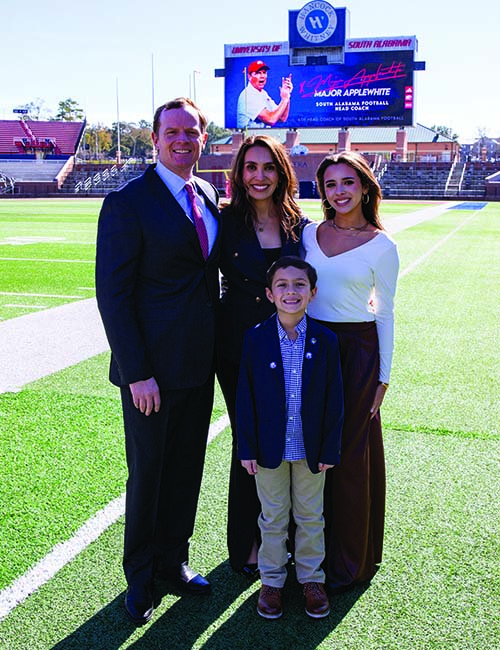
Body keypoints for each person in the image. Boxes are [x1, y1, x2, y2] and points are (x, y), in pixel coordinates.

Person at [95, 97, 221, 624]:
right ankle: (141, 578)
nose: (182, 140)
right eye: (172, 132)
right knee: (148, 473)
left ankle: (175, 561)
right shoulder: (128, 202)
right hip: (150, 373)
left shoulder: (209, 193)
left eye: (191, 132)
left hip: (199, 364)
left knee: (187, 469)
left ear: (202, 138)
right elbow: (113, 296)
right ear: (155, 138)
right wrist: (137, 372)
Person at [302, 151, 399, 593]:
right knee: (308, 453)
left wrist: (383, 376)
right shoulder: (308, 233)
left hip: (357, 351)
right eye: (330, 185)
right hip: (310, 348)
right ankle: (306, 557)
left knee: (349, 455)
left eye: (347, 183)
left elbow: (386, 314)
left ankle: (350, 560)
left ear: (364, 186)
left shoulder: (382, 245)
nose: (339, 192)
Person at [217, 134, 308, 578]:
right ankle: (247, 545)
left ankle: (285, 541)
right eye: (251, 167)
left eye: (268, 167)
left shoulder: (299, 223)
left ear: (281, 173)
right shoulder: (225, 221)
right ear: (239, 173)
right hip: (237, 348)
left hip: (290, 349)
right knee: (248, 442)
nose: (259, 176)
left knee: (287, 440)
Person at [236, 256, 344, 619]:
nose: (291, 291)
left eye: (299, 285)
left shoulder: (325, 340)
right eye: (282, 285)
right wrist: (247, 447)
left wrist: (329, 446)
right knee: (273, 516)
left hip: (311, 447)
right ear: (269, 293)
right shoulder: (256, 338)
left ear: (313, 293)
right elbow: (245, 398)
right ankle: (272, 581)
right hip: (270, 448)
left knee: (312, 515)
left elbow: (334, 400)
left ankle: (311, 579)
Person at [236, 60, 293, 129]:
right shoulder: (248, 95)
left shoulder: (263, 93)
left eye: (264, 73)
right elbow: (271, 119)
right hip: (249, 138)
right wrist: (284, 99)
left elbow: (282, 118)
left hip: (262, 137)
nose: (262, 76)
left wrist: (287, 96)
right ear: (249, 76)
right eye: (258, 73)